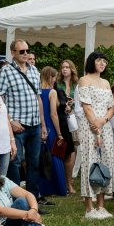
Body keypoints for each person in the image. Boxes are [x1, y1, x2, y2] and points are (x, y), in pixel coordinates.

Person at [0, 40, 46, 202]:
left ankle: (33, 200)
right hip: (17, 126)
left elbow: (38, 98)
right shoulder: (6, 71)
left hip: (35, 124)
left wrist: (43, 124)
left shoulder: (34, 70)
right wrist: (10, 121)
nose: (25, 54)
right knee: (15, 164)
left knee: (34, 163)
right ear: (13, 53)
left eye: (27, 50)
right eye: (22, 51)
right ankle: (17, 200)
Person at [78, 52, 114, 219]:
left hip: (105, 126)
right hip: (89, 126)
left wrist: (104, 120)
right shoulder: (84, 80)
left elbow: (112, 107)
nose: (102, 63)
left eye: (104, 61)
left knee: (105, 162)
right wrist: (96, 125)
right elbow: (86, 107)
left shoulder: (106, 83)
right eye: (99, 60)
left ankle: (101, 205)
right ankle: (89, 207)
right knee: (90, 161)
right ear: (92, 62)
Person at [37, 66, 68, 198]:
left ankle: (43, 188)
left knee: (42, 158)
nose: (55, 80)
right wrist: (59, 133)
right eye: (55, 77)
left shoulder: (37, 91)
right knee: (54, 155)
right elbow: (54, 114)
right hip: (50, 125)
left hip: (39, 125)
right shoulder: (52, 92)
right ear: (50, 77)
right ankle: (57, 187)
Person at [57, 60, 79, 194]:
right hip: (61, 120)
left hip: (75, 119)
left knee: (73, 149)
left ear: (72, 69)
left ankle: (69, 181)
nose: (65, 69)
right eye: (63, 67)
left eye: (67, 67)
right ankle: (62, 182)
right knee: (61, 150)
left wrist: (73, 104)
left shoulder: (77, 84)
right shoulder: (57, 83)